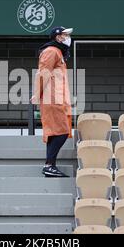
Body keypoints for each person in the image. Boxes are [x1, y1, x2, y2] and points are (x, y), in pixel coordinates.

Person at [31, 26, 73, 177]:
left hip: (56, 98)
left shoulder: (57, 52)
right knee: (62, 132)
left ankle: (50, 166)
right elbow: (43, 74)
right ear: (57, 37)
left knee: (55, 133)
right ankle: (49, 165)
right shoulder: (51, 51)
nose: (68, 37)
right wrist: (36, 95)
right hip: (53, 99)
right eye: (65, 35)